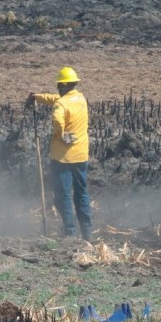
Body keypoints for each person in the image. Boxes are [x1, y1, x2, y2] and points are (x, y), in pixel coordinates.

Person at [26, 67, 92, 240]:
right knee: (82, 193)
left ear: (63, 85)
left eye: (59, 85)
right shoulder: (80, 99)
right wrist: (37, 97)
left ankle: (70, 233)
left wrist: (60, 134)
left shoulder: (61, 105)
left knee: (63, 196)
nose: (58, 88)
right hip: (81, 155)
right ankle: (87, 233)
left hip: (63, 158)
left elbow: (57, 117)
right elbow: (56, 99)